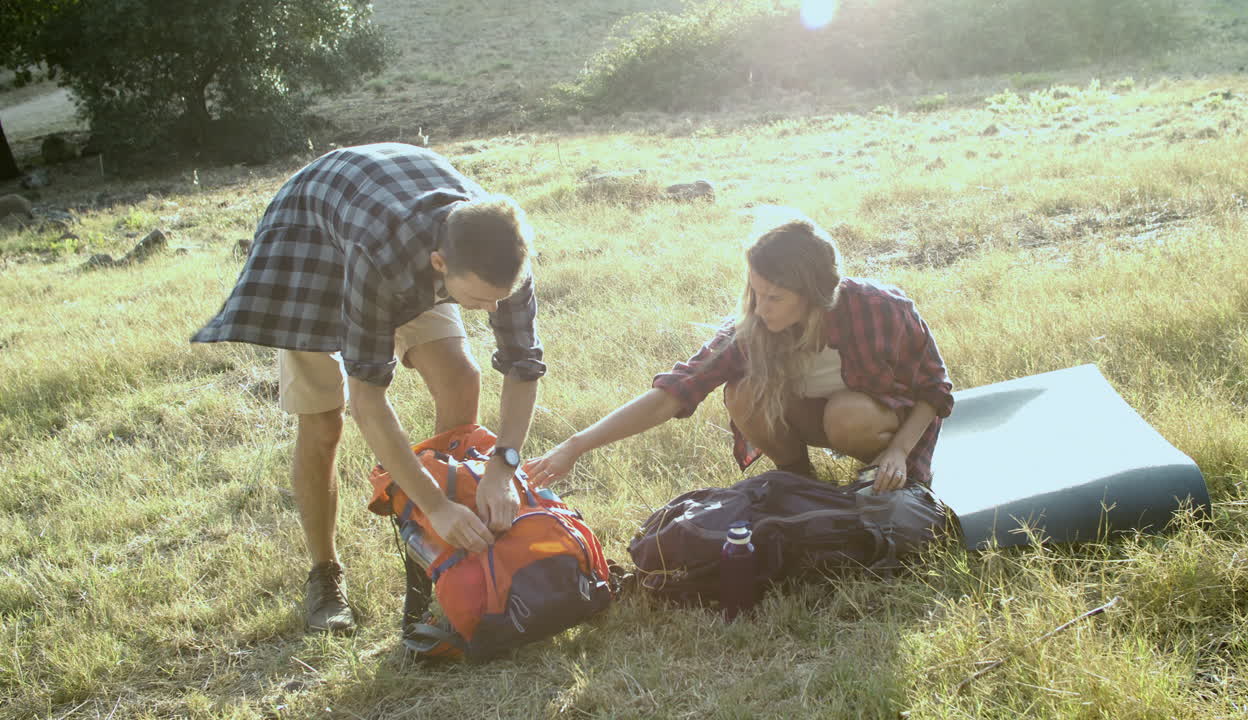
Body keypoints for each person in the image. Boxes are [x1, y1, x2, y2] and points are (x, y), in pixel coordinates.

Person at [192, 143, 545, 633]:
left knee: (460, 378)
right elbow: (368, 398)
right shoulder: (381, 257)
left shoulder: (503, 252)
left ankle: (435, 546)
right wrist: (434, 504)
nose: (491, 311)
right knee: (323, 422)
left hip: (399, 224)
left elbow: (524, 368)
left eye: (499, 298)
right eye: (480, 299)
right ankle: (324, 575)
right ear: (441, 264)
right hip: (315, 240)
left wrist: (501, 469)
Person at [527, 215, 953, 493]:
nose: (759, 308)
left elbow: (935, 389)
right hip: (813, 418)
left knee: (847, 413)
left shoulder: (882, 309)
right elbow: (673, 392)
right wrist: (575, 445)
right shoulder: (752, 328)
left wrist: (899, 449)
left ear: (815, 295)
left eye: (775, 297)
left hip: (876, 424)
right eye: (755, 292)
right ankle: (800, 481)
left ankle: (875, 473)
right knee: (743, 392)